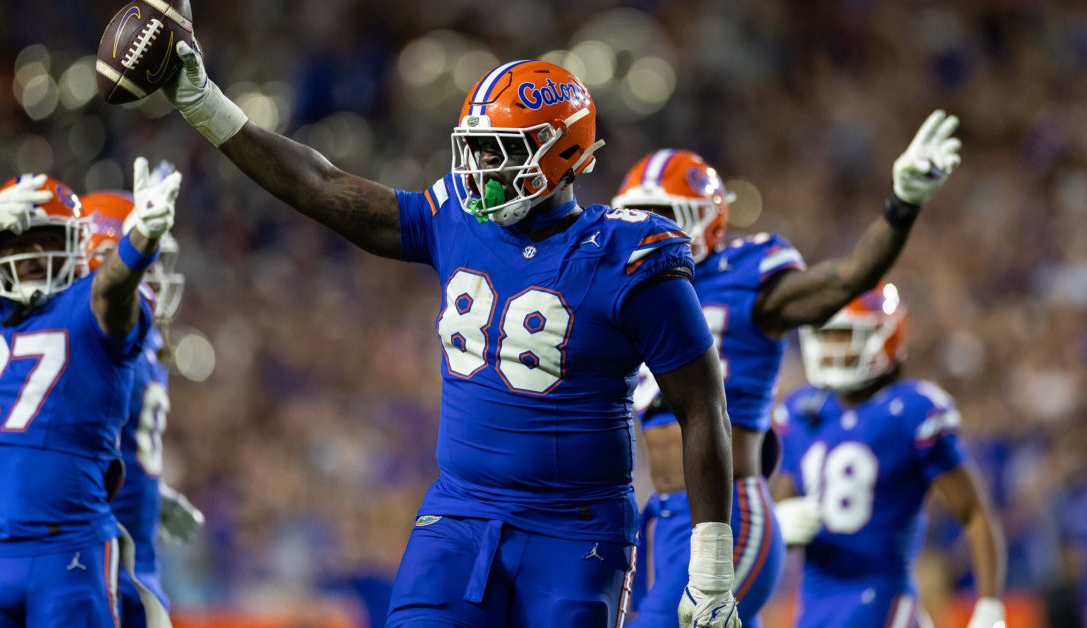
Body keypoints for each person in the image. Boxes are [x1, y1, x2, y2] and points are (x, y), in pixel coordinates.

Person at [156, 42, 739, 627]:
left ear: (562, 153)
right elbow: (321, 186)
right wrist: (205, 103)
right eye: (475, 148)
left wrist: (712, 571)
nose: (480, 168)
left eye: (500, 151)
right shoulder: (454, 217)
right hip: (460, 513)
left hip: (576, 529)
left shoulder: (629, 257)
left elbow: (702, 405)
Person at [613, 111, 962, 628]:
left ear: (704, 221)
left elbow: (843, 280)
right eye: (636, 215)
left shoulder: (747, 279)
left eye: (661, 213)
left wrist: (901, 204)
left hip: (727, 512)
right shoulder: (627, 295)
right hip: (660, 518)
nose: (647, 229)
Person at [0, 162, 179, 627]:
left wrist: (140, 239)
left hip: (71, 550)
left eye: (45, 239)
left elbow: (115, 288)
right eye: (16, 242)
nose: (30, 254)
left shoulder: (92, 306)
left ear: (75, 244)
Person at [771, 283, 1007, 628]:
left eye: (843, 335)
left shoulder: (911, 410)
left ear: (884, 337)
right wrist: (777, 526)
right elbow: (779, 507)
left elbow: (973, 512)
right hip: (814, 604)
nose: (830, 347)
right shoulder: (803, 411)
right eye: (826, 336)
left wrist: (989, 606)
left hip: (880, 597)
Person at [82, 184, 204, 628]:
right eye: (142, 258)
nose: (155, 273)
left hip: (133, 553)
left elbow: (117, 436)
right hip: (101, 556)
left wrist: (151, 491)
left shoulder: (146, 340)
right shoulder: (98, 342)